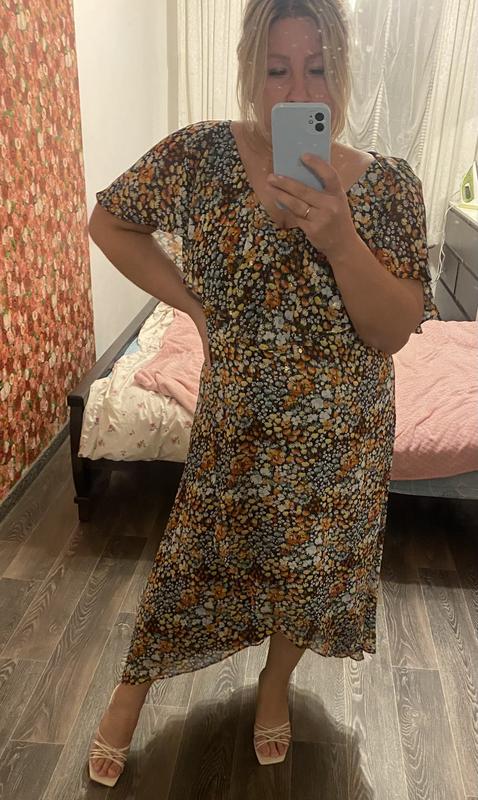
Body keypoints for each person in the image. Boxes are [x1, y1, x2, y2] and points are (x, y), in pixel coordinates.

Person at [87, 0, 440, 786]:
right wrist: (192, 305)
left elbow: (392, 329)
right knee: (193, 561)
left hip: (342, 435)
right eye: (277, 70)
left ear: (342, 72)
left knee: (310, 575)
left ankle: (275, 688)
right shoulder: (200, 157)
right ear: (250, 71)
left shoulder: (389, 186)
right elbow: (109, 223)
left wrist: (339, 237)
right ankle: (127, 697)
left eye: (317, 68)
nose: (298, 91)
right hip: (237, 426)